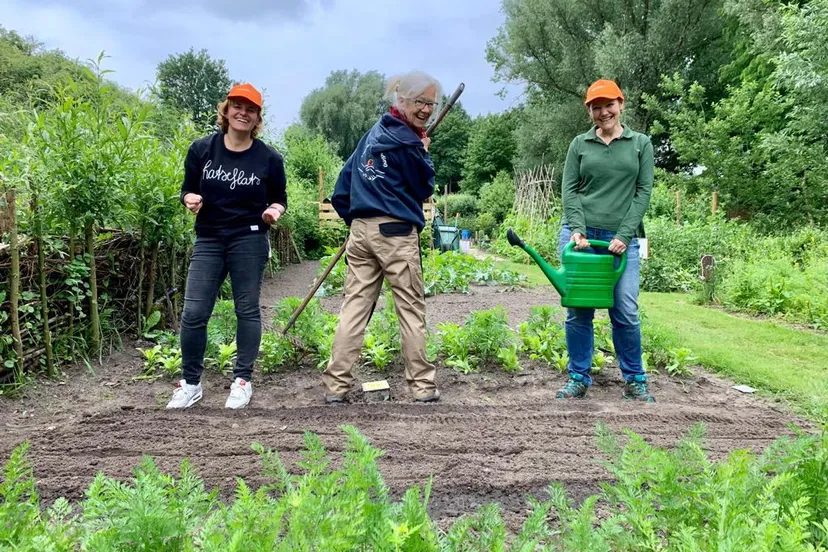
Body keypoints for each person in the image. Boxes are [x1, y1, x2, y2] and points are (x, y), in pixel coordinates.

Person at [322, 71, 442, 404]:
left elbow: (340, 192)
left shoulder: (370, 138)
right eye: (420, 102)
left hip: (361, 234)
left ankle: (336, 388)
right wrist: (424, 151)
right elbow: (423, 188)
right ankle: (422, 387)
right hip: (397, 235)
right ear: (401, 100)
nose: (426, 110)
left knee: (353, 310)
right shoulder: (408, 143)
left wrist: (360, 223)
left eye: (431, 103)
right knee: (410, 311)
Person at [166, 83, 287, 410]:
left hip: (249, 238)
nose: (243, 113)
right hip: (209, 238)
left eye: (251, 109)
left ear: (258, 117)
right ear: (227, 110)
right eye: (238, 106)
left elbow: (279, 199)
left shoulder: (269, 158)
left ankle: (242, 381)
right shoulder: (202, 150)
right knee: (193, 312)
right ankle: (190, 384)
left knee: (246, 309)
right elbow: (187, 189)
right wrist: (189, 198)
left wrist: (274, 210)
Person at [556, 79, 655, 402]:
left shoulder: (640, 144)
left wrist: (624, 235)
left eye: (608, 105)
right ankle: (578, 378)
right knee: (579, 312)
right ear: (589, 111)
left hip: (621, 240)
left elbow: (642, 194)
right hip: (581, 237)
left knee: (625, 309)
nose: (603, 112)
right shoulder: (579, 145)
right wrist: (578, 229)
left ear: (621, 104)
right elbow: (569, 190)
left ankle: (635, 380)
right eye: (596, 107)